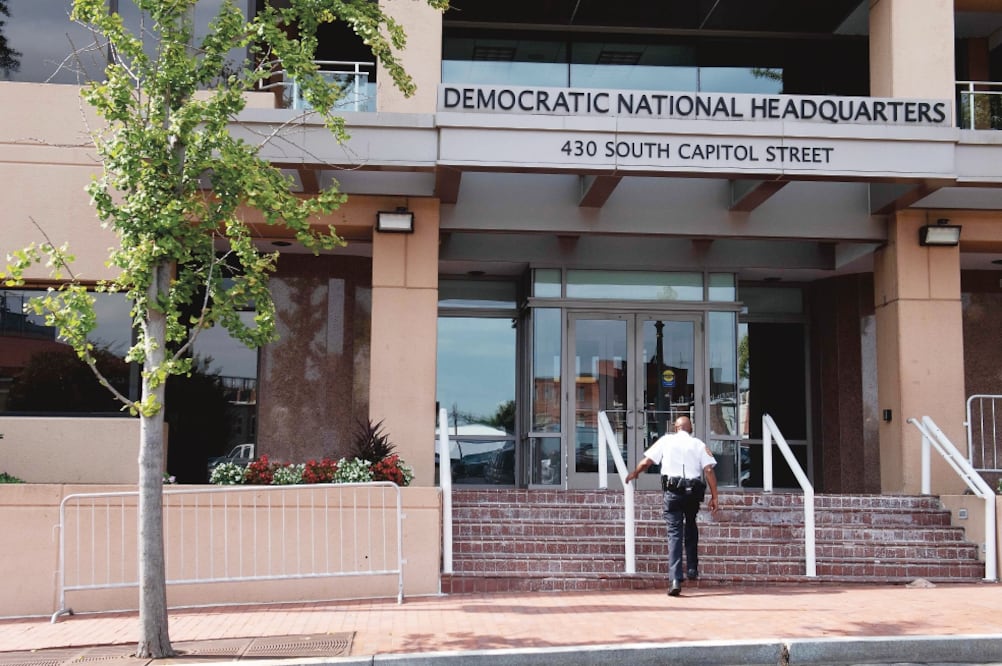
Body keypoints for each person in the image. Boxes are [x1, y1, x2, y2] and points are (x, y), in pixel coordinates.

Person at [625, 415, 718, 597]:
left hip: (673, 493)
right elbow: (708, 470)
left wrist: (635, 473)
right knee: (691, 525)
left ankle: (675, 579)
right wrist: (715, 496)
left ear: (676, 428)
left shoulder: (666, 441)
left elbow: (647, 462)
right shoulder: (698, 444)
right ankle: (692, 568)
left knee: (675, 534)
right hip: (692, 493)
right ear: (690, 428)